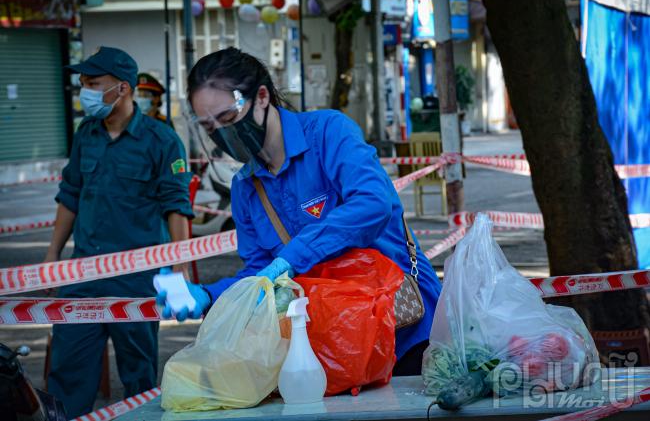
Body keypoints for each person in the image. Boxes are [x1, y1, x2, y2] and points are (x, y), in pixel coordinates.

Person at [157, 47, 442, 375]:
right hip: (335, 345)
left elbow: (373, 203)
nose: (221, 134)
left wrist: (293, 257)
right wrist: (210, 295)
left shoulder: (328, 133)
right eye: (210, 128)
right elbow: (261, 273)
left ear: (262, 96)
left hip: (406, 326)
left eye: (228, 119)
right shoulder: (245, 186)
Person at [45, 46, 193, 418]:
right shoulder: (86, 133)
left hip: (137, 277)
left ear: (123, 88)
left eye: (94, 83)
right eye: (83, 84)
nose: (85, 92)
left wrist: (181, 267)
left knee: (139, 377)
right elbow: (70, 195)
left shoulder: (162, 141)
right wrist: (52, 257)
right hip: (81, 274)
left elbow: (177, 206)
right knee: (68, 370)